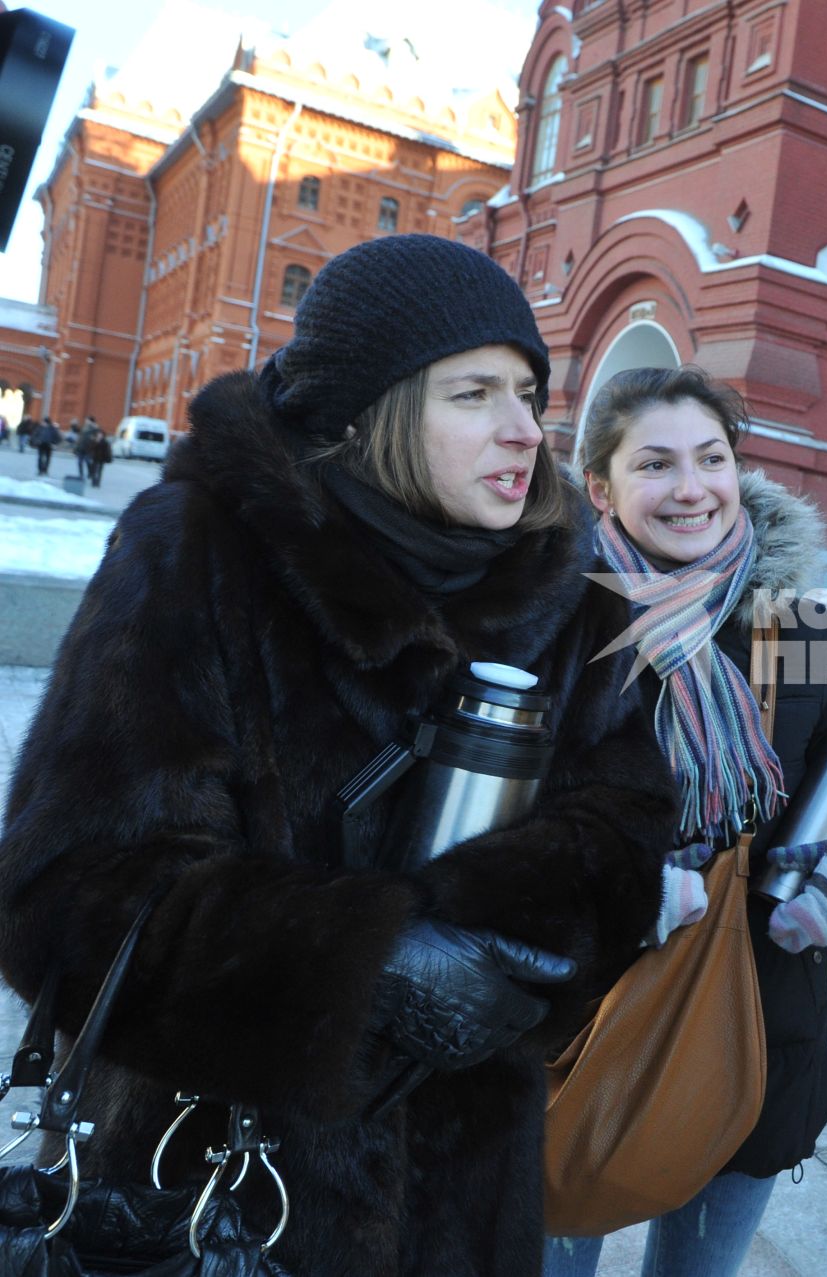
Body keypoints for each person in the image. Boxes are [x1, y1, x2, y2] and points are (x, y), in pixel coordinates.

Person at [0, 234, 685, 1277]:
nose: (522, 428)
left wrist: (521, 935)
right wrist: (364, 962)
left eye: (529, 389)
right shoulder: (196, 553)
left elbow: (626, 827)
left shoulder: (571, 599)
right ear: (367, 409)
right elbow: (67, 886)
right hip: (209, 1198)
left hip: (463, 1195)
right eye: (473, 393)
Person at [543, 366, 827, 1277]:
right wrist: (617, 887)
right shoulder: (554, 626)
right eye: (656, 464)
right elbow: (490, 833)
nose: (692, 488)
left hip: (757, 1022)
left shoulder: (799, 629)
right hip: (579, 1034)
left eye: (711, 457)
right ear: (601, 487)